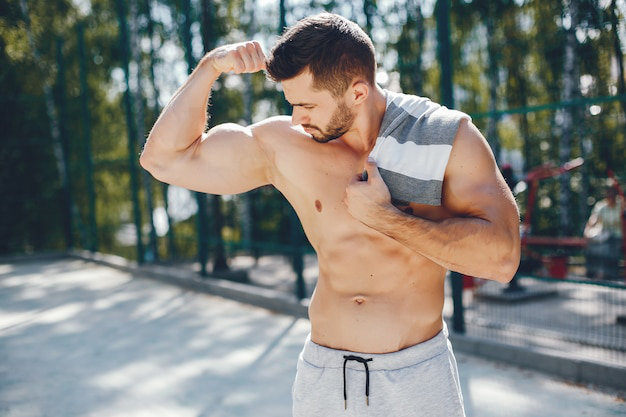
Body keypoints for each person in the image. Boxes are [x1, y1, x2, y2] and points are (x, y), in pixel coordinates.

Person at [140, 12, 520, 417]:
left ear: (357, 93)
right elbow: (163, 160)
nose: (297, 118)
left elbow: (502, 258)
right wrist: (209, 68)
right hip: (325, 376)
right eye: (292, 104)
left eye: (307, 104)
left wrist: (386, 217)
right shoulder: (286, 144)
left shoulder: (441, 137)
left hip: (415, 377)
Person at [584, 185, 624, 279]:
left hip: (617, 236)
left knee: (606, 247)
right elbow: (593, 219)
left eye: (612, 193)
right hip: (603, 235)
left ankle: (605, 273)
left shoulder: (621, 206)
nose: (610, 195)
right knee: (592, 245)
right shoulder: (601, 206)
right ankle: (592, 271)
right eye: (608, 193)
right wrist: (587, 231)